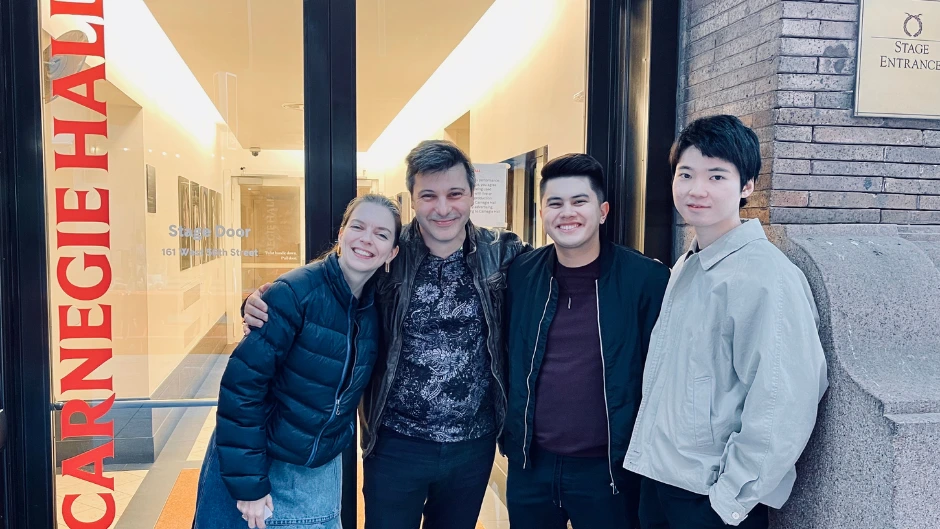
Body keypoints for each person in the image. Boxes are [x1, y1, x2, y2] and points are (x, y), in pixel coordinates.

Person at [242, 140, 528, 529]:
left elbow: (554, 277)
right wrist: (265, 300)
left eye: (454, 194)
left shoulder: (504, 253)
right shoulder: (389, 250)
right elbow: (329, 279)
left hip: (473, 446)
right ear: (412, 200)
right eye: (429, 196)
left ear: (472, 196)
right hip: (395, 442)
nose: (443, 208)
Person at [624, 115, 829, 529]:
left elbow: (785, 400)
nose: (697, 189)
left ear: (747, 186)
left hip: (710, 498)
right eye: (686, 174)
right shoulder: (689, 264)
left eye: (716, 176)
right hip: (664, 480)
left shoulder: (766, 275)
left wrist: (728, 499)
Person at [193, 194, 402, 529]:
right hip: (261, 457)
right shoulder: (295, 292)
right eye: (358, 227)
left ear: (392, 252)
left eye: (381, 234)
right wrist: (249, 485)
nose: (366, 239)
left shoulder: (378, 307)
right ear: (341, 234)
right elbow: (242, 389)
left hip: (317, 466)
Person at [502, 154, 670, 529]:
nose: (567, 213)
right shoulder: (522, 274)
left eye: (579, 201)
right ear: (541, 213)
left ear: (603, 211)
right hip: (531, 465)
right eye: (555, 203)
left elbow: (663, 375)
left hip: (608, 471)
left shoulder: (646, 280)